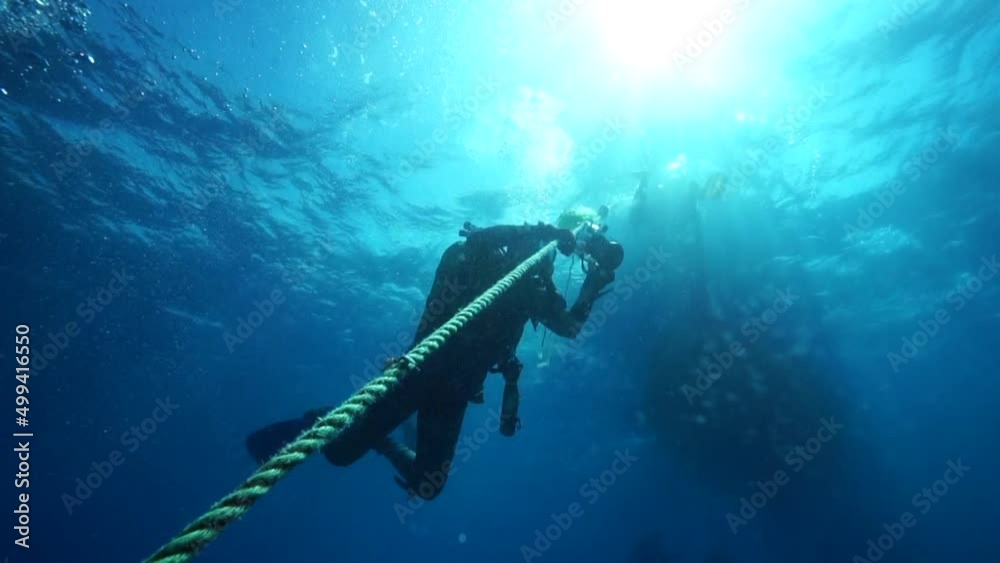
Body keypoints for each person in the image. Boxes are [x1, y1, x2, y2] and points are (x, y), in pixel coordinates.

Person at [246, 221, 620, 500]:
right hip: (419, 371)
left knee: (428, 486)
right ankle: (317, 420)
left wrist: (595, 283)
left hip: (455, 393)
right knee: (341, 453)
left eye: (548, 257)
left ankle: (384, 443)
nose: (545, 261)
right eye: (542, 249)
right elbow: (473, 241)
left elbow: (569, 327)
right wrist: (539, 229)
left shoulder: (536, 291)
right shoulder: (485, 260)